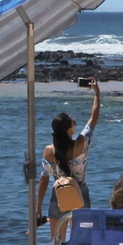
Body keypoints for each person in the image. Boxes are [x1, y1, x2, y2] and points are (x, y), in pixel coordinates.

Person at [35, 78, 102, 233]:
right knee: (82, 244)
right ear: (69, 130)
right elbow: (94, 117)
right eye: (73, 122)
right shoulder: (80, 144)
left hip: (58, 194)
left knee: (56, 244)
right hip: (80, 195)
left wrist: (38, 208)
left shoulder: (48, 151)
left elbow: (43, 179)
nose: (75, 124)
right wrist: (97, 93)